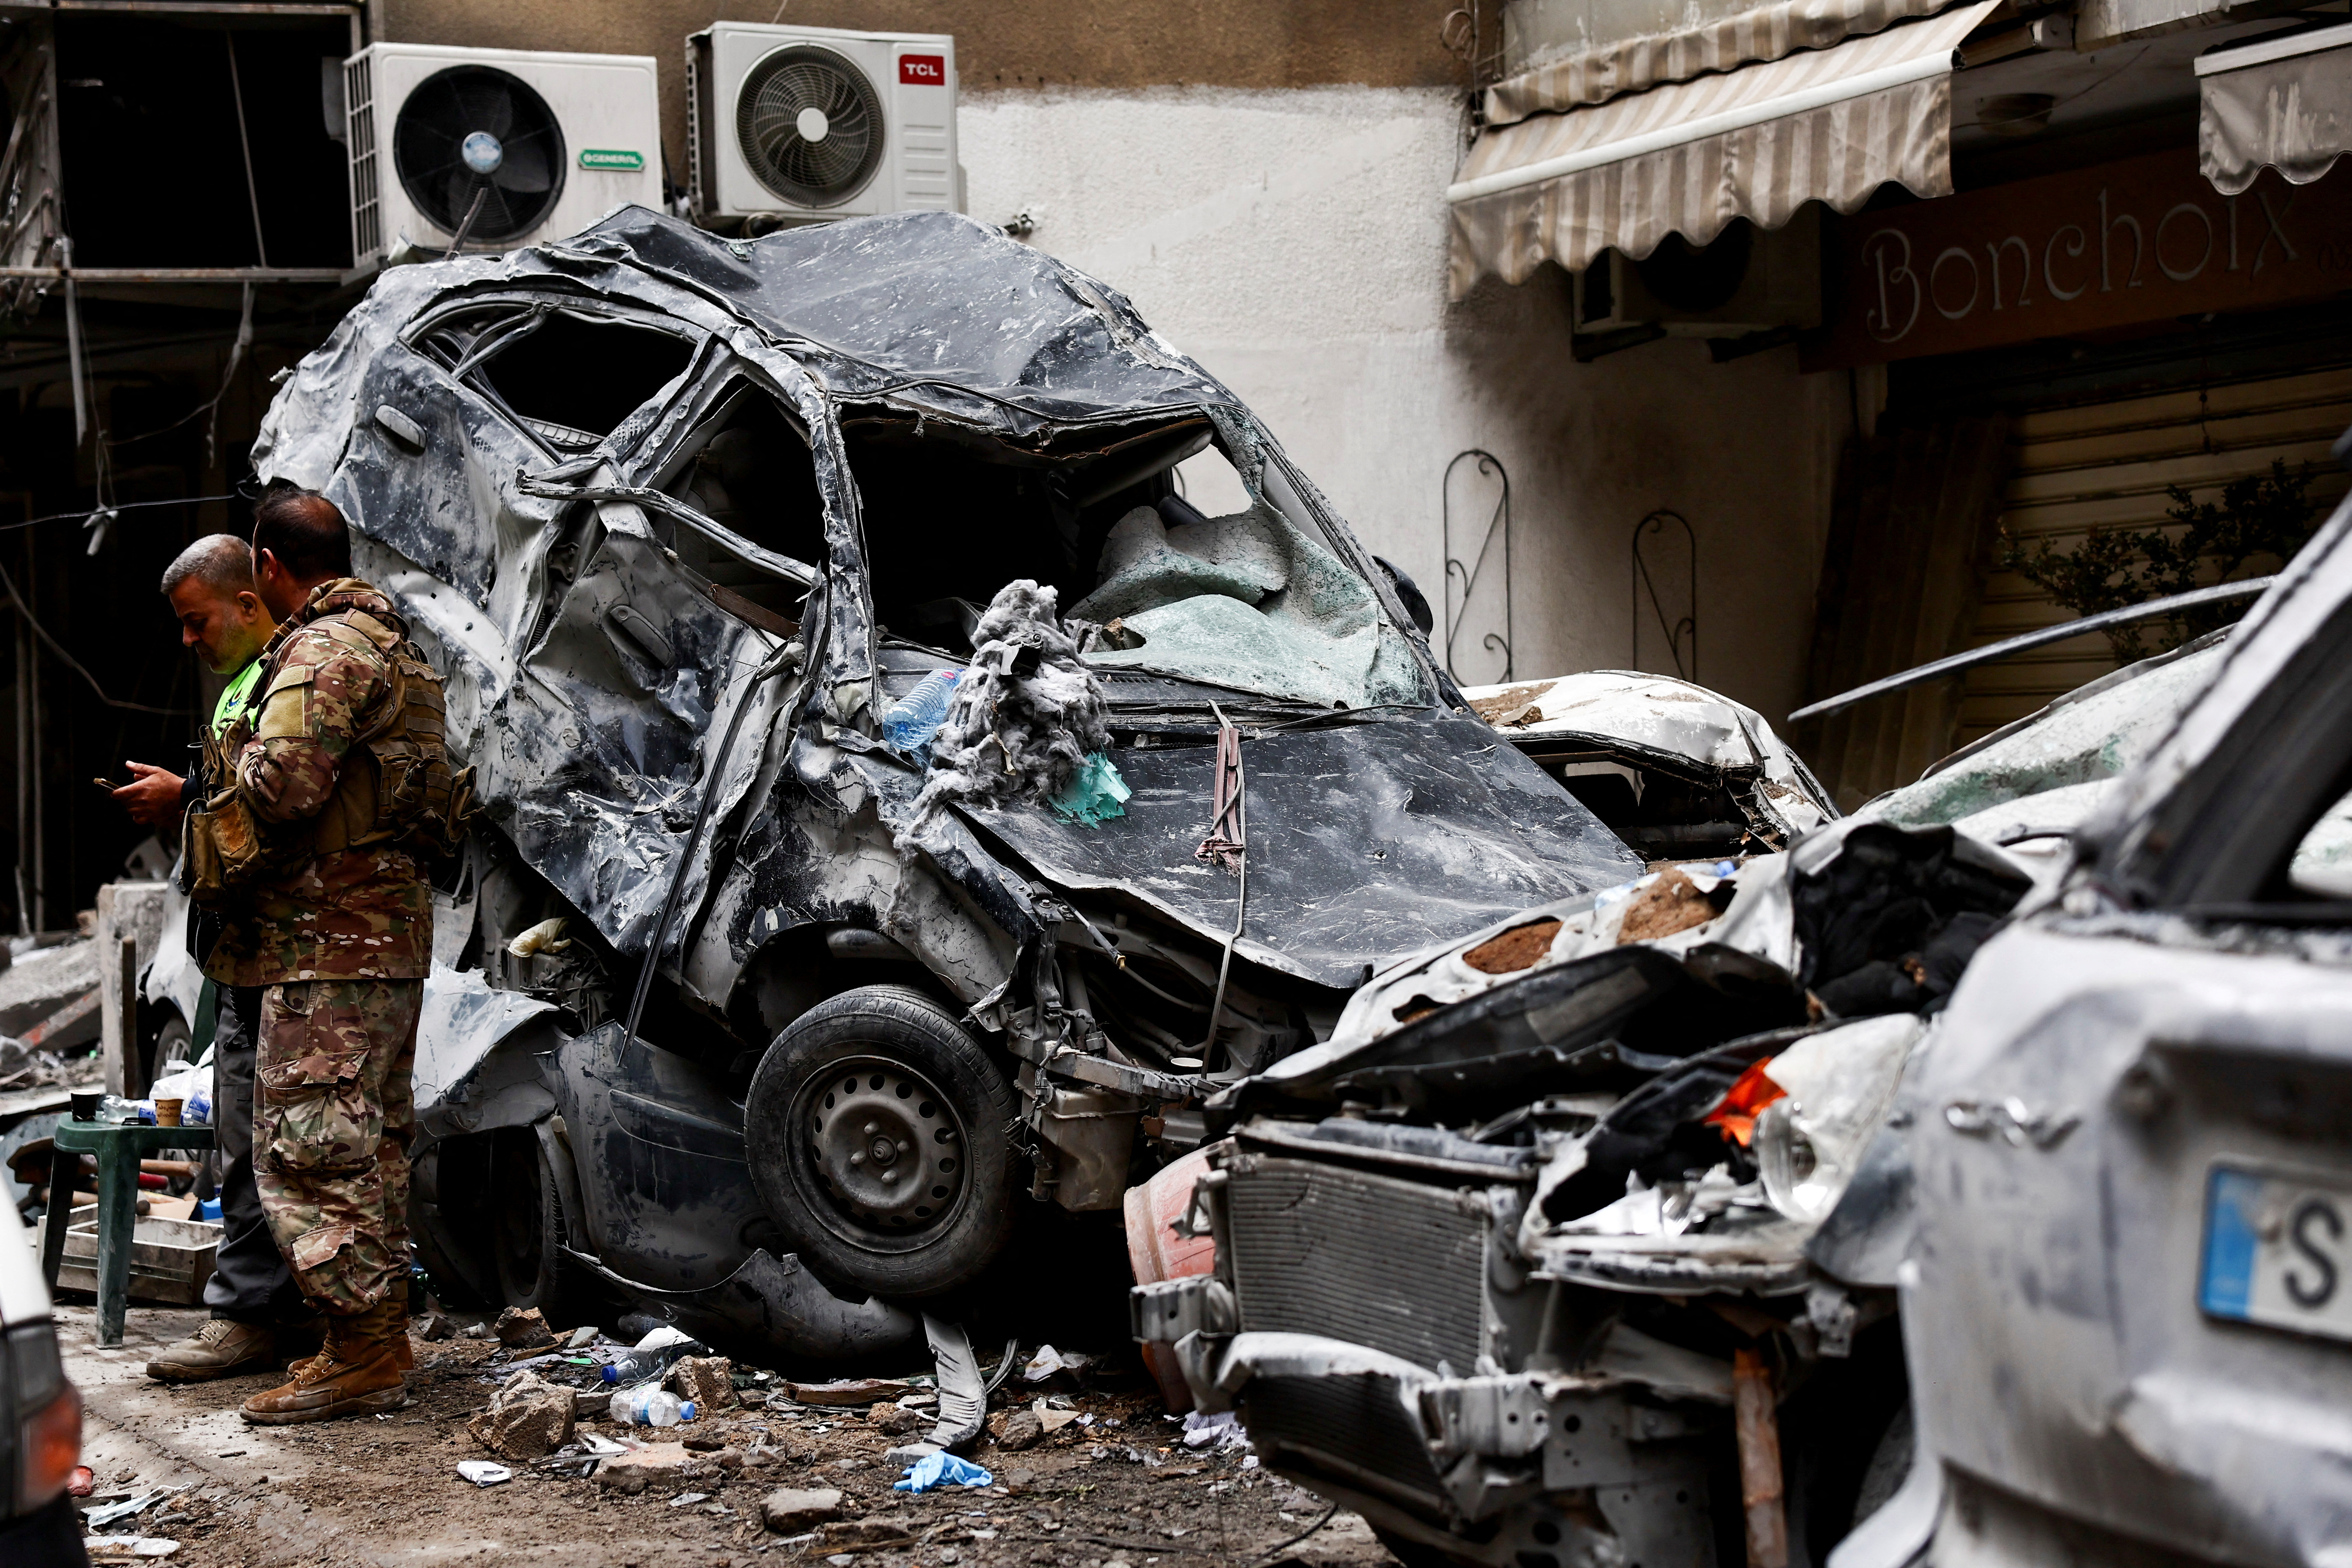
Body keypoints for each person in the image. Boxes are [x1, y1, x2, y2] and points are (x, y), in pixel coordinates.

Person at [194, 483, 447, 1425]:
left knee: (310, 1149)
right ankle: (369, 1340)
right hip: (380, 940)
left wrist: (236, 739)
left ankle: (364, 1348)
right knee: (366, 1144)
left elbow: (286, 788)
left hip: (327, 944)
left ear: (267, 565)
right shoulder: (397, 647)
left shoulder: (324, 648)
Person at [115, 537, 319, 1383]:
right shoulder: (248, 681)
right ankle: (269, 1311)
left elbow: (283, 805)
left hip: (283, 946)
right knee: (250, 1139)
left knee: (275, 1145)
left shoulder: (298, 677)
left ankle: (257, 1315)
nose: (190, 642)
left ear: (248, 601)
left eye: (199, 623)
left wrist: (186, 800)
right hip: (242, 946)